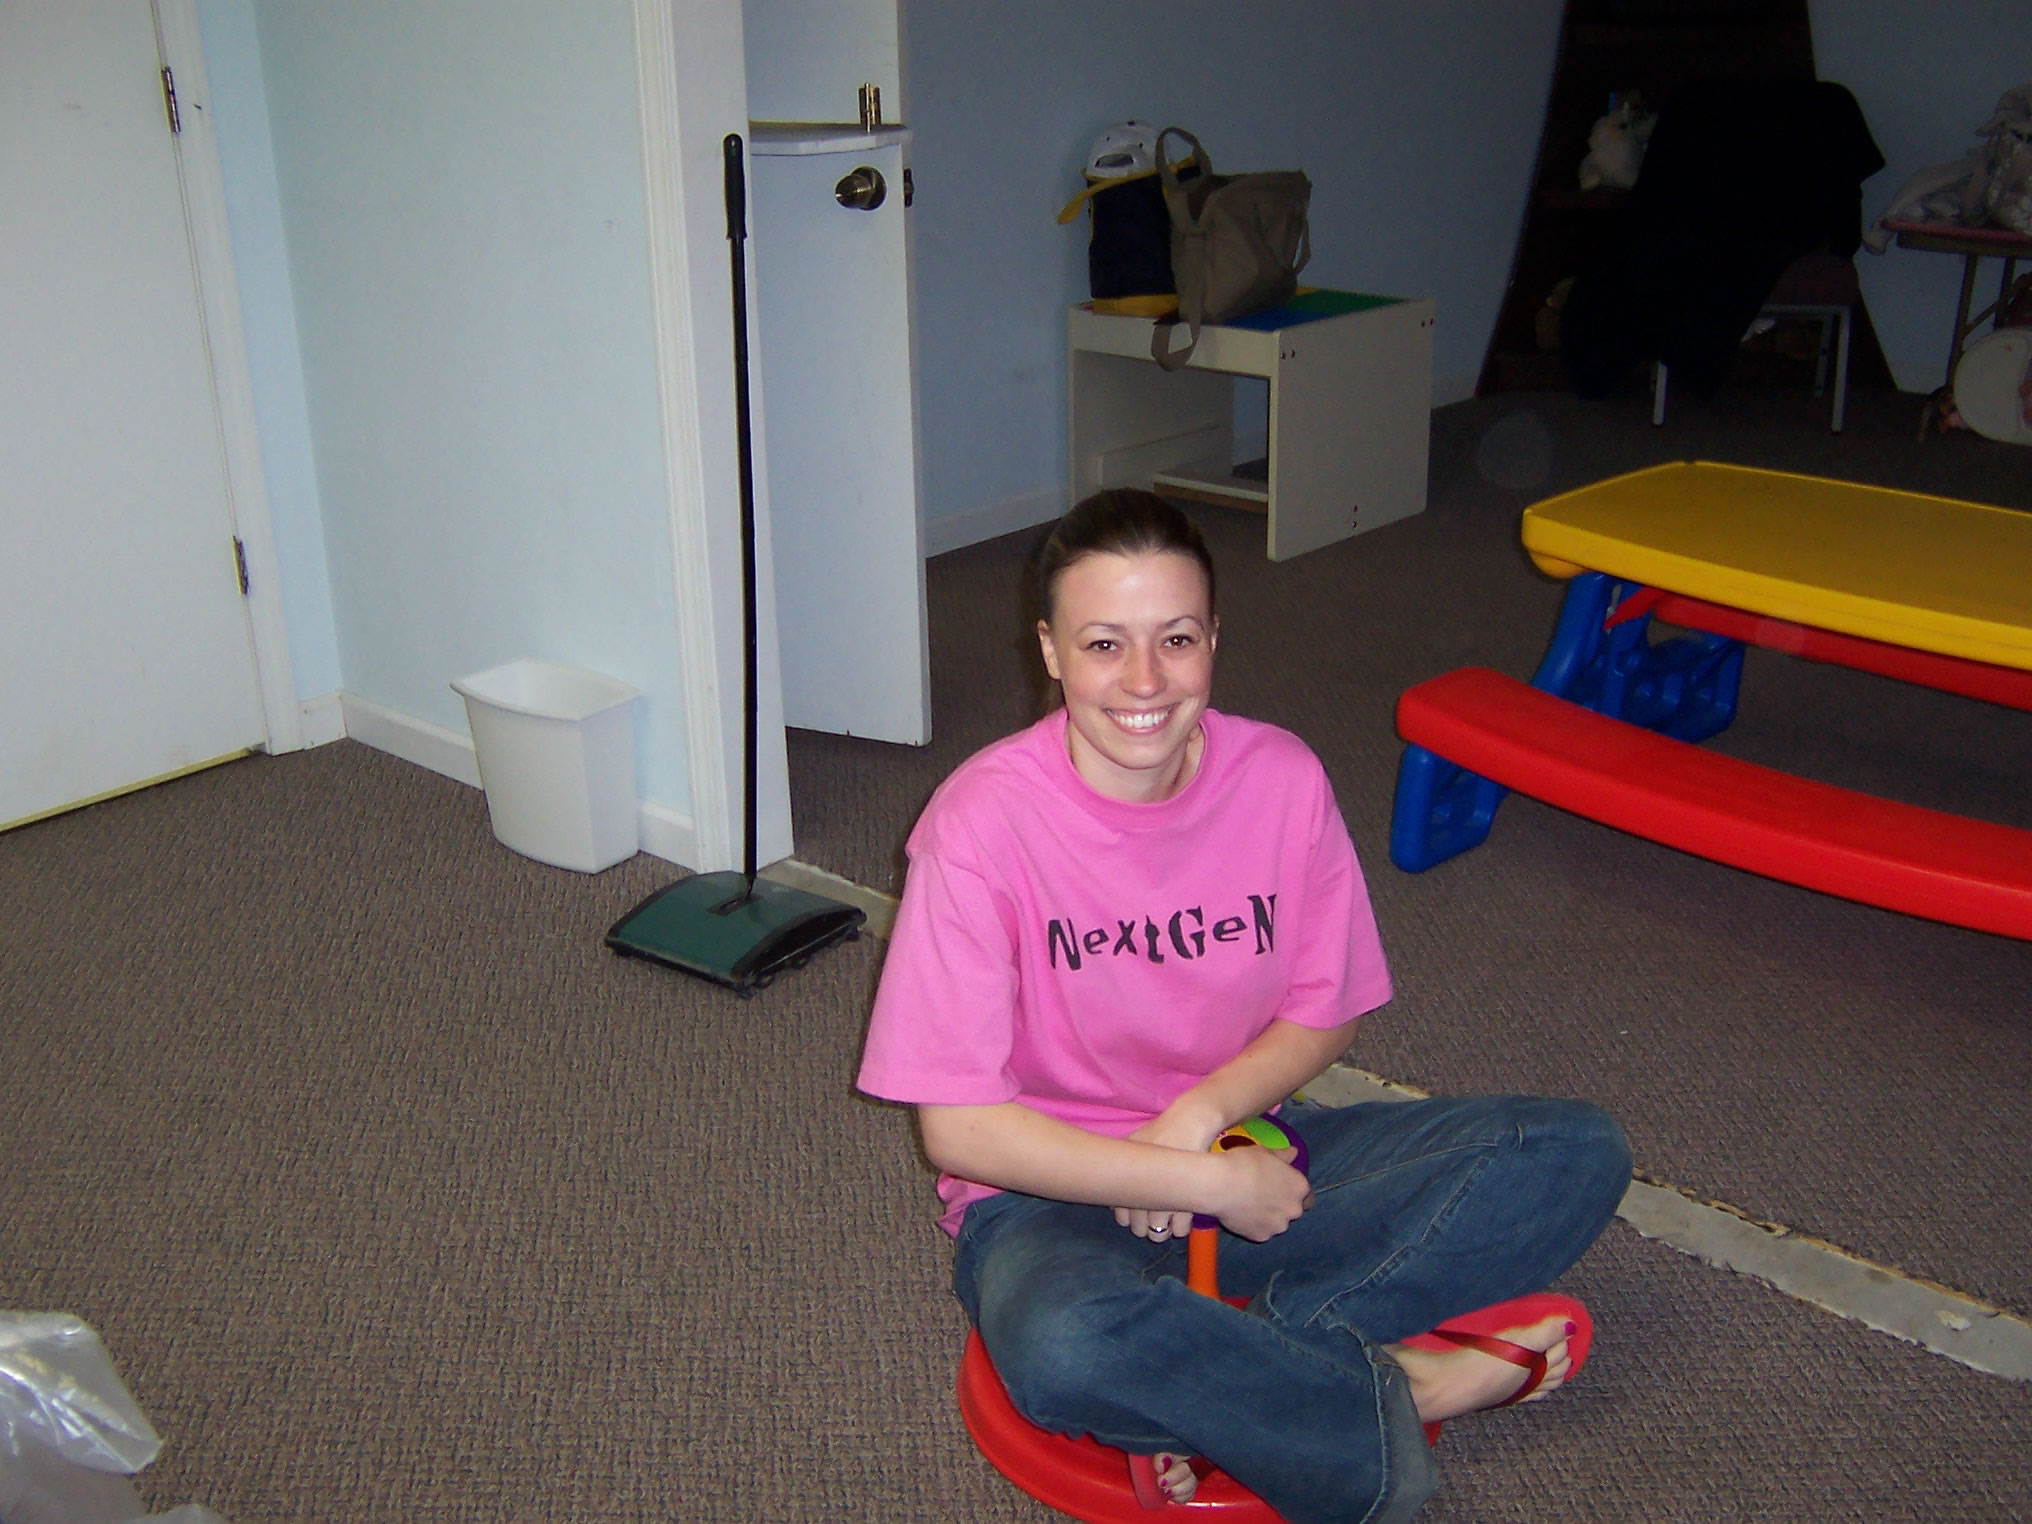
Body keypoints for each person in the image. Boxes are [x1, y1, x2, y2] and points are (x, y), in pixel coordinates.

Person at [856, 489, 1630, 1523]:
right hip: (1048, 1190)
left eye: (1175, 639)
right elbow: (960, 1130)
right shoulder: (977, 825)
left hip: (1248, 1144)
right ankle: (1399, 1389)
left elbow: (1327, 1008)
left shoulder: (1281, 777)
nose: (1144, 680)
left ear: (1214, 638)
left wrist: (1201, 1120)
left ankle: (1246, 1374)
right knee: (1062, 1343)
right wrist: (1194, 1184)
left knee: (1571, 1151)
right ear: (1049, 652)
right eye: (1103, 643)